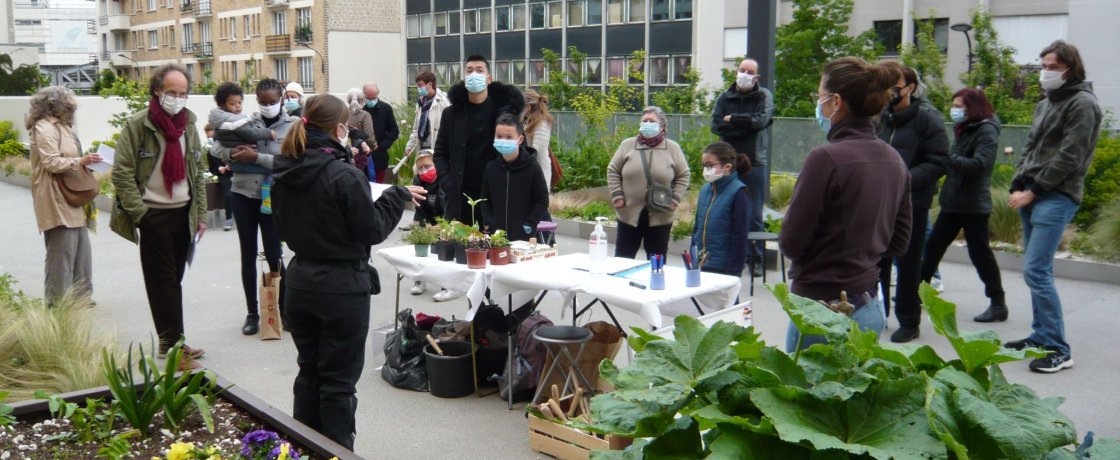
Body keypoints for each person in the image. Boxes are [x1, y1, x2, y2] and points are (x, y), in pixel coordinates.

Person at [270, 94, 425, 450]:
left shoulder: (285, 169)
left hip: (300, 282)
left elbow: (283, 223)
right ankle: (338, 450)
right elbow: (370, 230)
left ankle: (302, 449)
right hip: (340, 288)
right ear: (340, 129)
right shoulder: (343, 175)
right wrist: (393, 197)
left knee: (309, 372)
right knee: (338, 383)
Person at [780, 57, 911, 352]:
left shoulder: (825, 158)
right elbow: (899, 241)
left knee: (805, 396)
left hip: (822, 312)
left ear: (835, 101)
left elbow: (791, 242)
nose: (818, 104)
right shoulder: (893, 158)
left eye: (819, 97)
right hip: (869, 307)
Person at [1005, 40, 1102, 374]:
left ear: (1070, 69)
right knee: (1034, 270)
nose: (1045, 72)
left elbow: (1071, 156)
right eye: (1043, 65)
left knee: (1036, 270)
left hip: (1056, 196)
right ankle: (1041, 336)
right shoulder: (1047, 102)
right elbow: (1030, 146)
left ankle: (1059, 349)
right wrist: (1018, 182)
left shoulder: (1082, 103)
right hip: (1034, 192)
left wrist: (1033, 189)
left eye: (1052, 66)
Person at [109, 64, 208, 369]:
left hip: (183, 213)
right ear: (157, 91)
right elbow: (122, 173)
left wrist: (201, 213)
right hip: (153, 214)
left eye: (183, 93)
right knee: (162, 281)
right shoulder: (138, 125)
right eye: (171, 92)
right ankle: (175, 349)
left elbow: (197, 173)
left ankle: (170, 342)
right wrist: (141, 214)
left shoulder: (188, 126)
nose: (177, 98)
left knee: (172, 280)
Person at [209, 78, 296, 336]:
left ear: (281, 98)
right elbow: (216, 145)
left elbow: (291, 162)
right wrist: (232, 155)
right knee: (247, 255)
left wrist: (256, 157)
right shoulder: (246, 121)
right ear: (256, 101)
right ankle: (252, 313)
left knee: (274, 255)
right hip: (243, 194)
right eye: (262, 102)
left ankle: (283, 310)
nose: (268, 106)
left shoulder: (292, 126)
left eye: (272, 101)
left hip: (273, 198)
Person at [921, 88, 1008, 323]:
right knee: (933, 248)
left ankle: (998, 304)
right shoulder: (965, 128)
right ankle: (918, 295)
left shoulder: (986, 130)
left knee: (980, 254)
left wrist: (948, 159)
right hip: (954, 201)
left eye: (960, 105)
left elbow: (980, 164)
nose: (955, 110)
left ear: (973, 107)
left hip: (972, 204)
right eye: (955, 105)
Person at [876, 62, 949, 343]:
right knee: (876, 259)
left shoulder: (928, 118)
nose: (889, 93)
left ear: (911, 88)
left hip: (912, 202)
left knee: (908, 263)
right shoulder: (880, 116)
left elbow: (940, 162)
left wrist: (902, 178)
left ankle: (909, 320)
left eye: (894, 88)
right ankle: (878, 314)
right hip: (880, 201)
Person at [27, 85, 102, 304]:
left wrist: (87, 161)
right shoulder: (44, 127)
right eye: (69, 103)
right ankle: (56, 302)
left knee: (80, 248)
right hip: (54, 196)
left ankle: (81, 296)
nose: (72, 107)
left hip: (70, 194)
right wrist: (80, 161)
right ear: (56, 105)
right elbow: (50, 162)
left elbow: (71, 158)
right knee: (61, 251)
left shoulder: (64, 127)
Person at [711, 58, 774, 277]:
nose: (745, 74)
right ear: (736, 72)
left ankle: (755, 258)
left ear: (756, 77)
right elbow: (716, 125)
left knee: (754, 214)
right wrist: (742, 125)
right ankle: (725, 254)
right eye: (742, 70)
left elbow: (761, 121)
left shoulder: (763, 96)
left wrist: (733, 121)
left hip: (754, 162)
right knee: (724, 209)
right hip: (727, 162)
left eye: (750, 72)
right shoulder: (724, 97)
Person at [607, 106, 691, 259]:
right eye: (644, 121)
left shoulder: (673, 148)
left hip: (660, 215)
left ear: (662, 126)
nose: (647, 124)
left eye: (651, 121)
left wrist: (675, 199)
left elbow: (683, 175)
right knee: (623, 258)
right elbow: (613, 170)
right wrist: (617, 195)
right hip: (629, 213)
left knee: (656, 261)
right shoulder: (628, 145)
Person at [480, 113, 549, 242]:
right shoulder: (491, 168)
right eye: (499, 136)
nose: (503, 140)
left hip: (524, 238)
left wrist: (530, 223)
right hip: (497, 238)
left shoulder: (532, 166)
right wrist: (489, 222)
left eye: (509, 137)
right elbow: (484, 199)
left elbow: (542, 199)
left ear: (520, 139)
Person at [691, 141, 751, 277]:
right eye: (704, 165)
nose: (706, 169)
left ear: (727, 166)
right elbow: (697, 227)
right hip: (700, 263)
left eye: (710, 165)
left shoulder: (738, 192)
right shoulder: (706, 189)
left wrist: (734, 271)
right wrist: (693, 256)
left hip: (723, 267)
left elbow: (740, 236)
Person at [409, 151, 444, 296]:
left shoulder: (444, 179)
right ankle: (419, 280)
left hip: (446, 221)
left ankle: (448, 285)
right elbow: (419, 208)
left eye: (427, 166)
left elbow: (452, 205)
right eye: (420, 168)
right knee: (419, 247)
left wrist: (443, 225)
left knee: (445, 251)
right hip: (429, 220)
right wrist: (420, 225)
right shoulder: (418, 182)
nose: (424, 171)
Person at [404, 70, 451, 160]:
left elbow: (451, 126)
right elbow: (416, 128)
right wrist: (409, 146)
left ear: (430, 84)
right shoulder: (421, 102)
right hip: (422, 147)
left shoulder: (444, 101)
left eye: (420, 85)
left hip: (438, 147)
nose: (418, 88)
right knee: (423, 172)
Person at [361, 82, 399, 183]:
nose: (372, 100)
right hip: (362, 155)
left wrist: (382, 146)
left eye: (374, 97)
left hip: (379, 155)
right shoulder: (361, 110)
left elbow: (394, 130)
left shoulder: (386, 108)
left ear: (378, 94)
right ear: (364, 95)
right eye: (369, 98)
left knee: (378, 184)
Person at [522, 89, 555, 190]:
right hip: (526, 170)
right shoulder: (526, 120)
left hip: (539, 171)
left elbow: (537, 151)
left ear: (528, 107)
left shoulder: (542, 123)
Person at [203, 124, 235, 231]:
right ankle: (228, 218)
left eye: (213, 138)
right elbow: (212, 168)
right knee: (228, 193)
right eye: (210, 138)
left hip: (237, 173)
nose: (212, 140)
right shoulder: (210, 152)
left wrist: (230, 166)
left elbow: (240, 158)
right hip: (224, 176)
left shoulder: (230, 146)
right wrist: (219, 169)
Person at [346, 87, 376, 176]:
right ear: (362, 100)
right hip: (362, 152)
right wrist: (373, 146)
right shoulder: (365, 115)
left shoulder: (343, 113)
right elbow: (369, 135)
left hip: (347, 151)